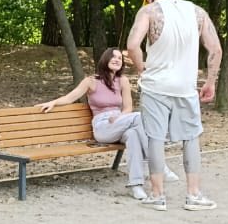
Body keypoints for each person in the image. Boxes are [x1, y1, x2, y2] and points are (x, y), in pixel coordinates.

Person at [126, 0, 222, 211]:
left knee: (155, 138)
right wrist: (210, 82)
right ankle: (194, 195)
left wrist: (141, 69)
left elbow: (132, 45)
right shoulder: (197, 12)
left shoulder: (148, 11)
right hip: (186, 87)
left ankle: (157, 195)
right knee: (191, 137)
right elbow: (216, 49)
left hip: (155, 86)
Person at [36, 47, 176, 199]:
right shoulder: (91, 81)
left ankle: (136, 186)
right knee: (142, 117)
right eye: (113, 57)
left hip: (122, 122)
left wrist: (120, 117)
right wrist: (53, 103)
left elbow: (128, 108)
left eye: (120, 58)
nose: (117, 60)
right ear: (105, 59)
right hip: (103, 127)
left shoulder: (123, 81)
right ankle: (159, 165)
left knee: (134, 135)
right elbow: (70, 98)